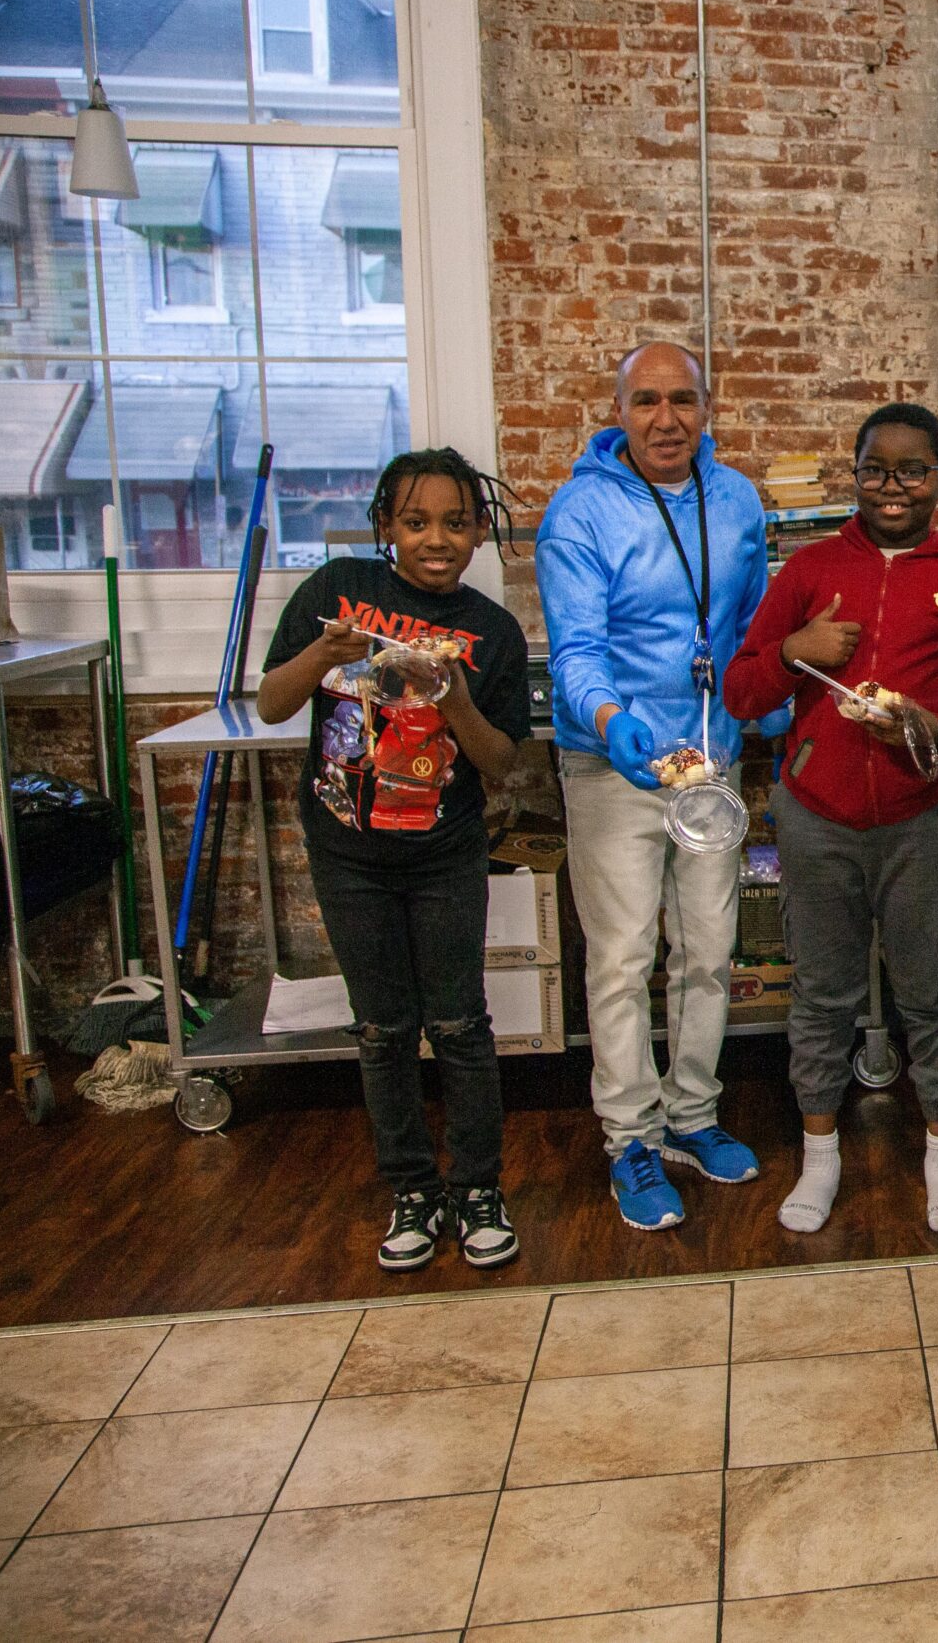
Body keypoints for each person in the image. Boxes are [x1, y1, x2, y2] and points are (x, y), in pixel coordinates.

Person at [724, 404, 938, 1235]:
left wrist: (928, 727)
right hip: (816, 816)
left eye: (912, 471)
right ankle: (820, 1154)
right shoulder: (810, 570)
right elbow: (744, 692)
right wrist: (793, 652)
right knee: (820, 994)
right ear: (855, 476)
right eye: (875, 471)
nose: (892, 487)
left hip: (924, 821)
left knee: (932, 992)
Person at [257, 448, 533, 1271]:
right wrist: (324, 653)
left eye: (455, 523)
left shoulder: (492, 631)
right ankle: (411, 1189)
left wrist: (452, 699)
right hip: (348, 852)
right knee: (381, 1028)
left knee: (459, 1024)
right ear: (387, 527)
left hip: (445, 854)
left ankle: (478, 1188)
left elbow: (500, 763)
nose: (435, 539)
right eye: (416, 523)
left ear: (481, 531)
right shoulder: (334, 593)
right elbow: (272, 703)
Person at [538, 342, 771, 1232]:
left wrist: (765, 698)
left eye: (682, 400)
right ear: (618, 409)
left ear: (706, 408)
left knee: (711, 950)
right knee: (624, 958)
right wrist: (608, 721)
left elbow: (749, 621)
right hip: (613, 763)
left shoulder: (738, 496)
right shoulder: (579, 512)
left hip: (712, 760)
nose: (665, 418)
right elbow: (576, 653)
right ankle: (629, 1136)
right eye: (645, 401)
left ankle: (694, 1113)